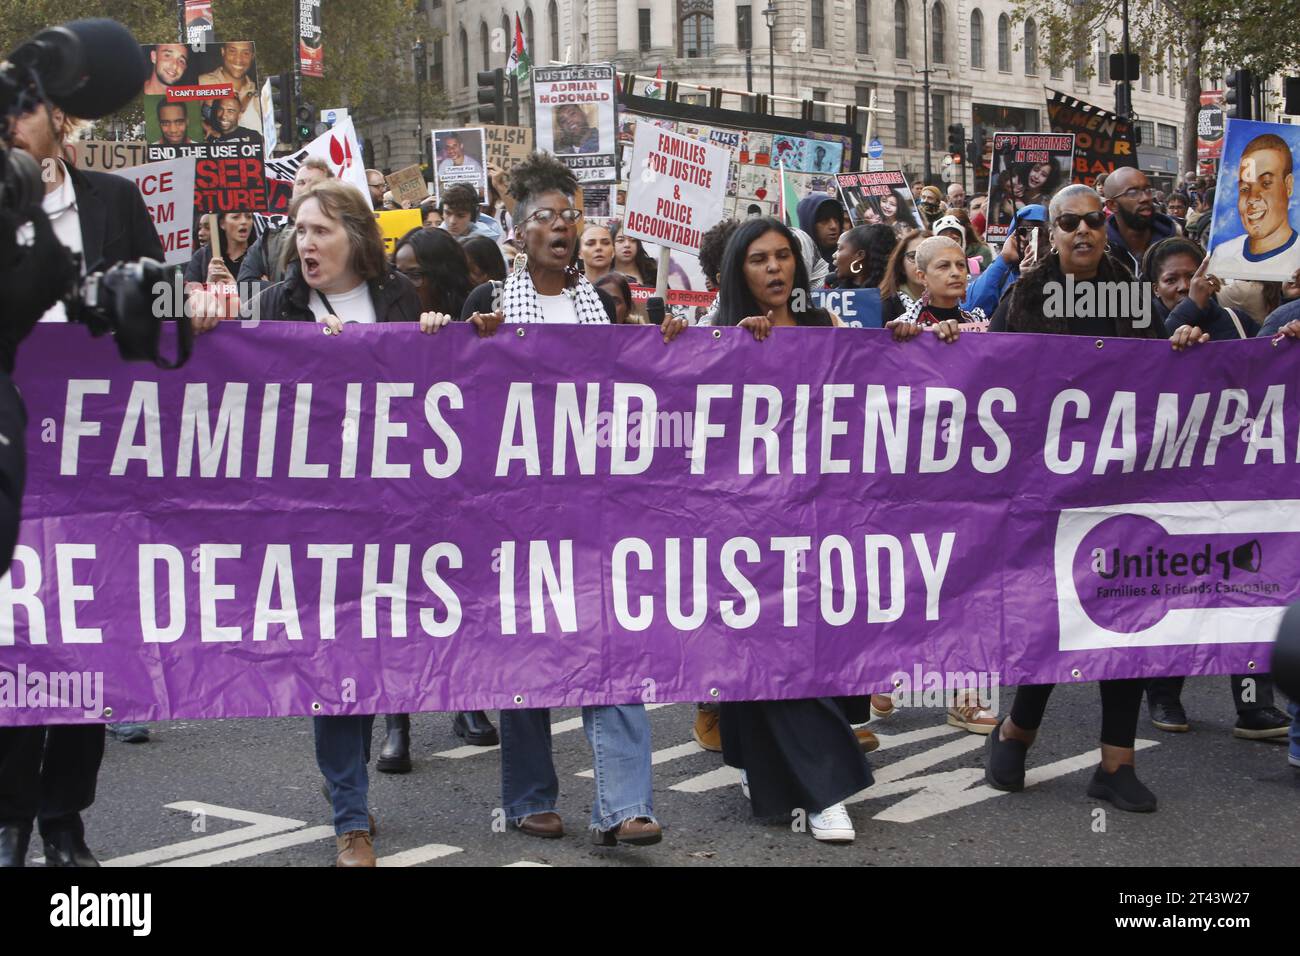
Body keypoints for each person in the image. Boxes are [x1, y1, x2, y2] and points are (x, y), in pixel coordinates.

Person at [209, 180, 495, 866]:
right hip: (313, 517)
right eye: (299, 231)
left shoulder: (399, 295)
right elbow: (240, 382)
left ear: (356, 238)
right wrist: (206, 315)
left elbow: (438, 388)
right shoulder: (280, 303)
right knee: (332, 663)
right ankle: (348, 814)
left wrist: (436, 338)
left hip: (394, 513)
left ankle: (363, 776)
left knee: (376, 657)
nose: (306, 243)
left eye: (320, 231)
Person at [459, 152, 674, 847]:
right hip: (516, 511)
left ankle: (624, 804)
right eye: (543, 218)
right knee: (527, 654)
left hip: (595, 505)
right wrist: (465, 346)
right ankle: (528, 796)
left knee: (613, 643)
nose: (559, 227)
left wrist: (665, 344)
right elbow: (456, 398)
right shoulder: (488, 304)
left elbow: (628, 388)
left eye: (569, 216)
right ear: (515, 232)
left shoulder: (600, 303)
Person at [985, 185, 1210, 814]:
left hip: (1122, 484)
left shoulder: (1131, 293)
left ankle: (1116, 763)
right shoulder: (1024, 295)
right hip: (1045, 487)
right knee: (1052, 616)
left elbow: (1165, 365)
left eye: (1092, 221)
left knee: (1124, 613)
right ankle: (1016, 731)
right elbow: (984, 375)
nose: (1083, 231)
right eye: (1069, 223)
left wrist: (1185, 343)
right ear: (1050, 234)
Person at [1, 100, 165, 867]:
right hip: (12, 458)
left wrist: (199, 299)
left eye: (21, 111)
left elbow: (155, 300)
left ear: (58, 120)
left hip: (97, 466)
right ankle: (10, 826)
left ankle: (65, 820)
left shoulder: (116, 201)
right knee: (12, 647)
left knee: (81, 646)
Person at [1208, 134, 1300, 279]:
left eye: (1266, 183)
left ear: (1288, 186)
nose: (1252, 198)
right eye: (1244, 189)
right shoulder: (1223, 254)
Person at [239, 157, 333, 287]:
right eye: (301, 182)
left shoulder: (341, 237)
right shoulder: (268, 242)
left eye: (314, 183)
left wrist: (269, 288)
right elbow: (246, 292)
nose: (306, 188)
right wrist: (281, 291)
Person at [1146, 237, 1261, 341]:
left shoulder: (1236, 320)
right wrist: (1191, 306)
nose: (1184, 286)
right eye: (1171, 280)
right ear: (1156, 289)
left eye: (1192, 276)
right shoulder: (1144, 329)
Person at [964, 204, 1050, 316]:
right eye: (1025, 232)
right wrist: (1003, 259)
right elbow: (969, 309)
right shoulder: (1003, 273)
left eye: (1040, 233)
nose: (1032, 239)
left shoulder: (1064, 271)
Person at [1103, 168, 1179, 277]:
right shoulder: (1100, 252)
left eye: (1148, 190)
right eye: (1132, 193)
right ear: (1112, 205)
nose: (1145, 198)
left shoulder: (1176, 244)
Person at [197, 40, 259, 133]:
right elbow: (186, 116)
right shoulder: (203, 82)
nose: (238, 59)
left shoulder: (256, 89)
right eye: (232, 51)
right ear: (223, 52)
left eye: (246, 53)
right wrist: (206, 129)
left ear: (252, 57)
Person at [878, 228, 932, 323]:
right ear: (901, 265)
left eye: (930, 256)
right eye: (913, 256)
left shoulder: (955, 303)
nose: (921, 263)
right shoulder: (882, 307)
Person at [828, 223, 896, 290]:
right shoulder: (834, 295)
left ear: (860, 255)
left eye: (839, 249)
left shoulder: (893, 298)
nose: (834, 255)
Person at [796, 192, 845, 269]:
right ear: (808, 224)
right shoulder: (795, 263)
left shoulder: (848, 262)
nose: (833, 226)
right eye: (824, 221)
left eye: (836, 220)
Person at [609, 220, 658, 288]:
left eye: (632, 240)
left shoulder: (652, 272)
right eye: (620, 240)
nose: (627, 245)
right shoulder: (605, 275)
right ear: (612, 245)